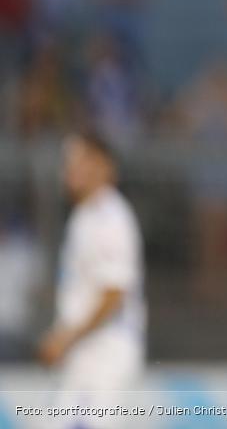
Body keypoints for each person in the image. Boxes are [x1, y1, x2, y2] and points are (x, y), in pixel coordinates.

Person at [38, 130, 146, 427]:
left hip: (104, 356)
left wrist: (64, 338)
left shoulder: (111, 218)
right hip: (84, 356)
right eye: (68, 160)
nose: (70, 167)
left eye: (80, 158)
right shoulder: (84, 216)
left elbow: (114, 293)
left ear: (104, 166)